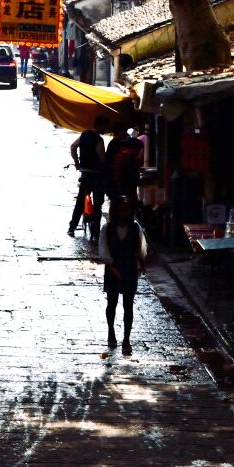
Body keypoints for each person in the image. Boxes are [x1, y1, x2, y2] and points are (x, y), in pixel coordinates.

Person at [99, 196, 147, 356]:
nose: (123, 213)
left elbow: (140, 248)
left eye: (126, 210)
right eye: (120, 210)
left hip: (129, 268)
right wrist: (112, 268)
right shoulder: (107, 229)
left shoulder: (135, 228)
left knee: (128, 306)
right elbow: (104, 251)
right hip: (113, 268)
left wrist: (141, 263)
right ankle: (111, 331)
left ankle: (126, 339)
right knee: (111, 303)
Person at [68, 113, 112, 241]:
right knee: (98, 203)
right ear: (100, 126)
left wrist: (77, 162)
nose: (106, 130)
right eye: (105, 127)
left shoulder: (84, 134)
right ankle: (95, 233)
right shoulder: (99, 140)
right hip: (96, 175)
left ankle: (72, 227)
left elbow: (73, 146)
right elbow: (102, 158)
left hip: (85, 174)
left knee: (80, 201)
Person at [104, 123, 143, 202]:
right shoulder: (115, 144)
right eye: (123, 132)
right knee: (118, 202)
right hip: (118, 180)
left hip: (121, 180)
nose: (125, 134)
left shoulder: (123, 143)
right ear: (118, 132)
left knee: (119, 201)